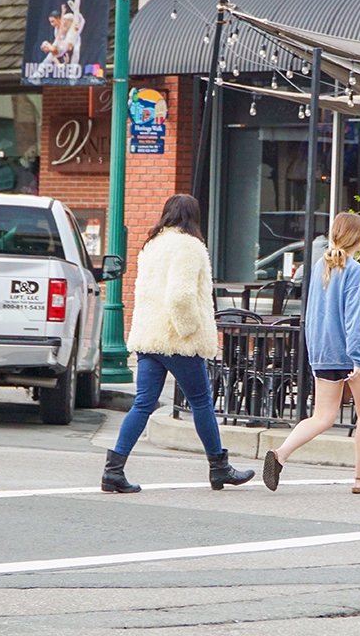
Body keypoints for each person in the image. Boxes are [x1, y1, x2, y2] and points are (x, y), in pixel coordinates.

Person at [101, 194, 255, 494]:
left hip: (150, 337)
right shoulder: (189, 246)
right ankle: (219, 467)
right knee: (201, 402)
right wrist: (190, 329)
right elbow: (180, 296)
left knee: (143, 403)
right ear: (192, 217)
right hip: (176, 339)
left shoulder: (152, 245)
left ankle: (113, 471)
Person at [262, 211, 360, 495]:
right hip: (352, 353)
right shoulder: (354, 270)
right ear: (359, 239)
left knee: (322, 417)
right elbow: (356, 319)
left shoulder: (322, 265)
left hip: (323, 352)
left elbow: (312, 314)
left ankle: (281, 454)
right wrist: (359, 357)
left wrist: (315, 354)